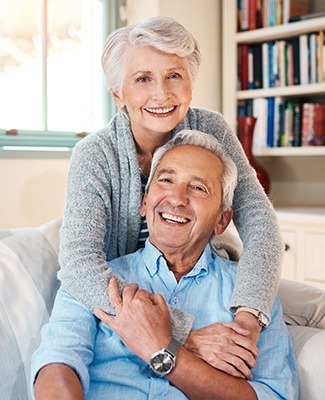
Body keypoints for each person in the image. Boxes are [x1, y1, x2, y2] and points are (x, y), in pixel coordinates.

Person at [58, 15, 283, 363]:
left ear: (191, 83)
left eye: (174, 75)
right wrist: (182, 335)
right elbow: (78, 264)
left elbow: (260, 222)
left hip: (206, 279)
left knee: (314, 308)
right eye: (143, 79)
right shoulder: (94, 155)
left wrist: (248, 317)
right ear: (119, 94)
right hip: (133, 290)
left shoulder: (211, 128)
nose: (161, 93)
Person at [31, 130, 298, 400]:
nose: (177, 198)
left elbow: (271, 394)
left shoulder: (250, 299)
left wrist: (162, 349)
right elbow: (56, 366)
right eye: (166, 179)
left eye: (198, 188)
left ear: (222, 220)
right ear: (145, 203)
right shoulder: (94, 280)